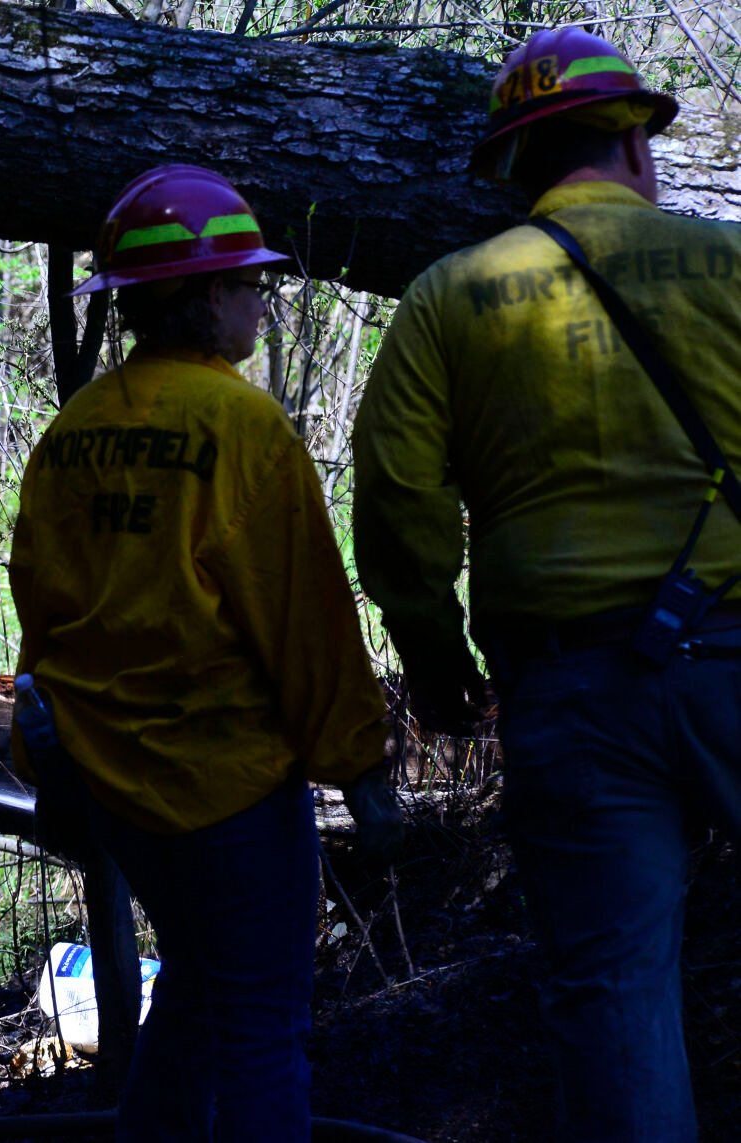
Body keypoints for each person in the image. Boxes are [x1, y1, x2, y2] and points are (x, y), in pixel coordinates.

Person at [352, 27, 741, 1141]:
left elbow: (396, 504)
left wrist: (435, 672)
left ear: (514, 168)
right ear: (631, 140)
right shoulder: (727, 265)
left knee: (613, 997)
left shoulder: (446, 299)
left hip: (572, 695)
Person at [9, 165, 395, 1141]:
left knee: (189, 994)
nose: (258, 302)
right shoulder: (244, 428)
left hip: (115, 788)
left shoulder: (73, 432)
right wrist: (358, 771)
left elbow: (41, 615)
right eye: (248, 285)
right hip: (228, 787)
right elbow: (307, 624)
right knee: (262, 1032)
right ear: (204, 296)